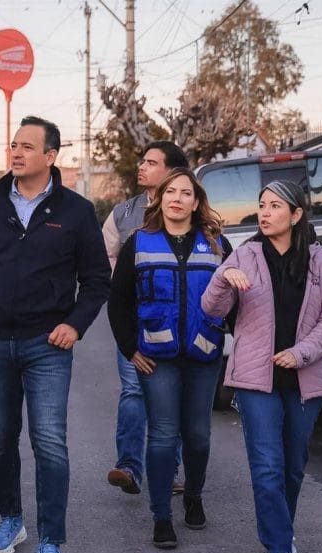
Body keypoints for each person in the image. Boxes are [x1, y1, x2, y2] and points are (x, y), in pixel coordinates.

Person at [0, 116, 111, 553]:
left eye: (27, 146)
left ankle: (51, 545)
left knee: (50, 444)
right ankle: (12, 521)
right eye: (13, 145)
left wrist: (74, 325)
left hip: (48, 345)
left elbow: (97, 280)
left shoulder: (76, 210)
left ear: (51, 156)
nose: (16, 153)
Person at [201, 180, 322, 553]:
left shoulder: (320, 263)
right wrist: (223, 277)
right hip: (254, 379)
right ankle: (279, 550)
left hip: (304, 379)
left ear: (296, 215)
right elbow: (212, 310)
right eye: (261, 205)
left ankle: (283, 532)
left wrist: (300, 353)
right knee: (266, 467)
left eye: (275, 206)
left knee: (292, 467)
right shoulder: (243, 256)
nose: (265, 213)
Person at [107, 168, 231, 549]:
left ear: (197, 202)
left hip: (204, 353)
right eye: (170, 192)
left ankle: (193, 495)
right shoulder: (139, 242)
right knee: (162, 435)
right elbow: (119, 302)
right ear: (159, 199)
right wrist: (131, 349)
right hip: (156, 357)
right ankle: (161, 516)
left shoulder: (217, 244)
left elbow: (236, 299)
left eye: (186, 193)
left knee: (197, 435)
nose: (177, 198)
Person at [102, 141, 190, 496]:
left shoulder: (190, 209)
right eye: (142, 160)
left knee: (172, 395)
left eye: (151, 162)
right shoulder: (123, 214)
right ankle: (129, 467)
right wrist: (124, 286)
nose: (141, 167)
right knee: (134, 391)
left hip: (179, 320)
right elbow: (104, 255)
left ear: (171, 172)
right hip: (136, 320)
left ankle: (167, 469)